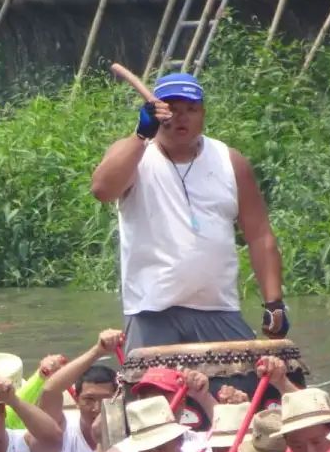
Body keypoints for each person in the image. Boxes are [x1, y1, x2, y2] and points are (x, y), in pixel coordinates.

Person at [90, 73, 286, 351]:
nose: (181, 117)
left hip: (218, 307)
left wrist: (274, 303)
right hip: (151, 311)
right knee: (153, 394)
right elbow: (102, 190)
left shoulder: (230, 161)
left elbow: (259, 236)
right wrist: (140, 134)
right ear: (157, 111)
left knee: (244, 388)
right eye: (172, 109)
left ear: (203, 114)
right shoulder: (134, 153)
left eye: (191, 110)